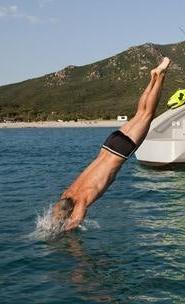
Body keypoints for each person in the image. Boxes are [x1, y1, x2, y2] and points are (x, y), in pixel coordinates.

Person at [52, 57, 170, 231]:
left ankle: (159, 76)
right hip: (109, 143)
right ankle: (152, 77)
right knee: (140, 113)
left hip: (120, 151)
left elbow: (75, 221)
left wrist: (64, 232)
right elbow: (61, 206)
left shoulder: (81, 201)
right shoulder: (68, 192)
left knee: (147, 115)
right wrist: (56, 218)